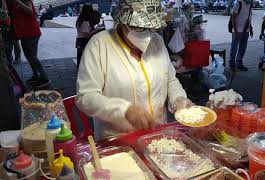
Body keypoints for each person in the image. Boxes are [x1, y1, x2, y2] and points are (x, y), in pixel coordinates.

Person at [76, 0, 192, 139]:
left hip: (158, 136)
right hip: (117, 140)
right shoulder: (99, 46)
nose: (147, 34)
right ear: (122, 21)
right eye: (138, 27)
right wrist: (124, 110)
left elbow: (170, 80)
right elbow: (86, 96)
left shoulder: (157, 42)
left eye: (151, 28)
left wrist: (178, 99)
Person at [7, 0, 50, 88]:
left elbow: (30, 11)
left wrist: (19, 2)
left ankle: (44, 78)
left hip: (31, 33)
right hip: (25, 34)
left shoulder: (25, 0)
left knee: (32, 57)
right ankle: (36, 76)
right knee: (29, 56)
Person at [229, 0, 253, 72]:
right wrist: (236, 31)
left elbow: (249, 17)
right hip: (238, 31)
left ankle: (239, 63)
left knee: (243, 48)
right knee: (234, 48)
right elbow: (233, 17)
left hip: (246, 30)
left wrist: (250, 28)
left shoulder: (250, 4)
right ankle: (232, 64)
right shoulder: (239, 3)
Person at [75, 4, 102, 69]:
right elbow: (87, 34)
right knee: (83, 60)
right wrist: (97, 30)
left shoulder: (80, 19)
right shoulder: (84, 22)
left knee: (81, 59)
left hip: (80, 41)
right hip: (83, 41)